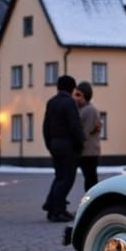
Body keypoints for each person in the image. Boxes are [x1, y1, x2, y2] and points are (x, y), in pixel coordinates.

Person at [42, 75, 85, 222]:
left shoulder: (51, 102)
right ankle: (58, 210)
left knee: (59, 176)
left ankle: (51, 206)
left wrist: (49, 144)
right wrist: (80, 143)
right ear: (71, 88)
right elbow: (74, 125)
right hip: (68, 145)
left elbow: (46, 126)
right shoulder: (69, 103)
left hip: (55, 144)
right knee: (67, 178)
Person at [74, 81, 101, 191]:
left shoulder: (88, 110)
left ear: (85, 95)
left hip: (88, 152)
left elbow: (84, 133)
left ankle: (92, 204)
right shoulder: (82, 109)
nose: (75, 97)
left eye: (78, 95)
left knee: (90, 181)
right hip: (87, 152)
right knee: (90, 179)